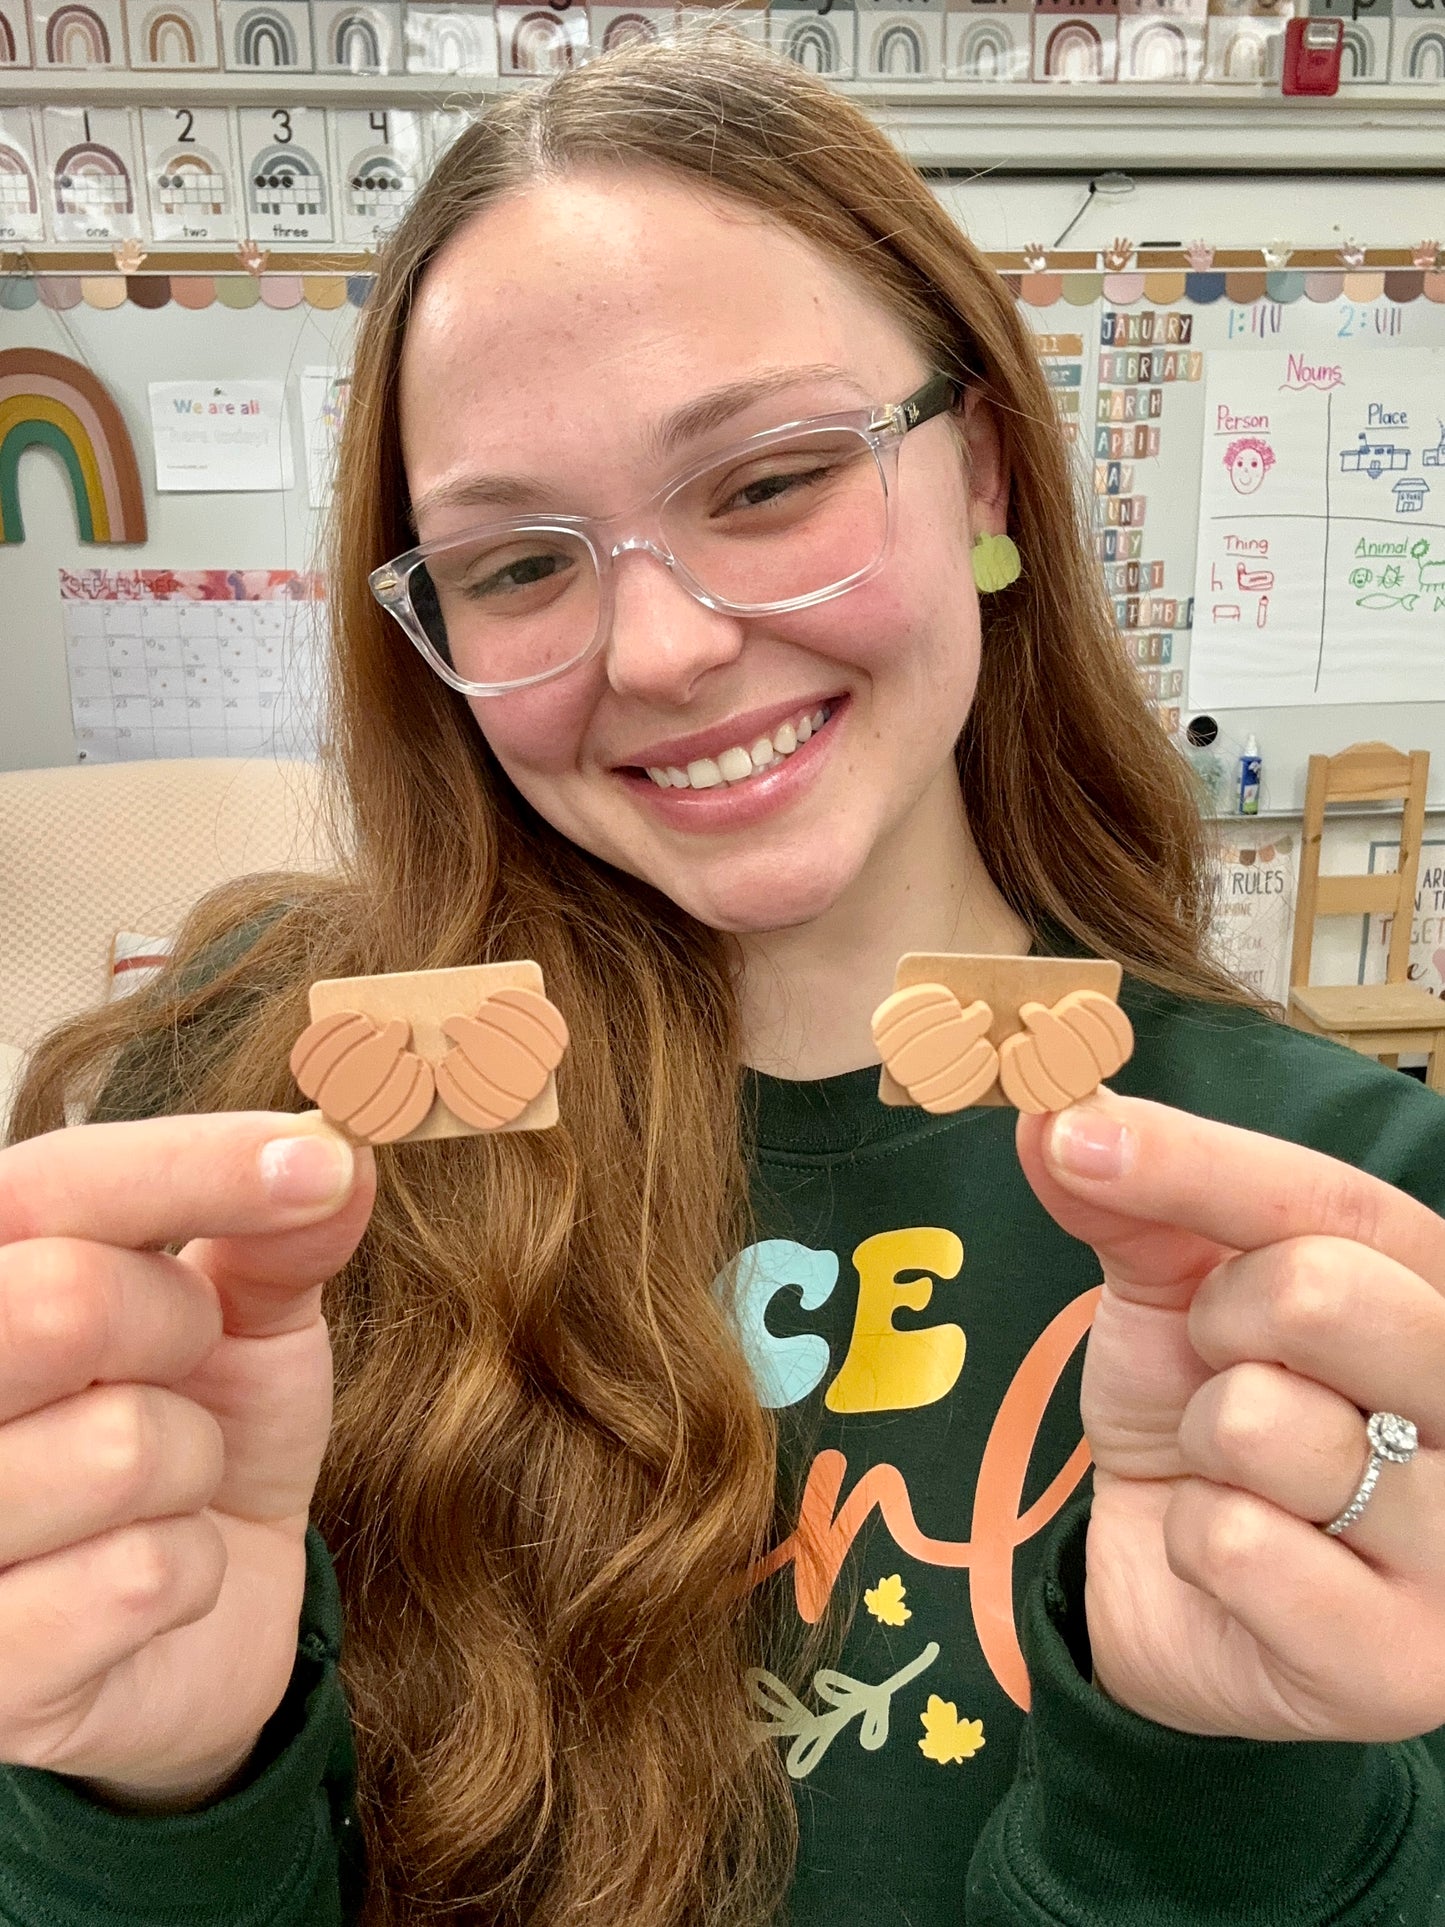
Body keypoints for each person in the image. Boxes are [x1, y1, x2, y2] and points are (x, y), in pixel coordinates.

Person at [4, 31, 1445, 1927]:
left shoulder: (1334, 1215)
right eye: (518, 565)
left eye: (767, 482)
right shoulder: (247, 1125)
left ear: (984, 468)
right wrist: (149, 1808)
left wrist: (1209, 1799)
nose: (666, 649)